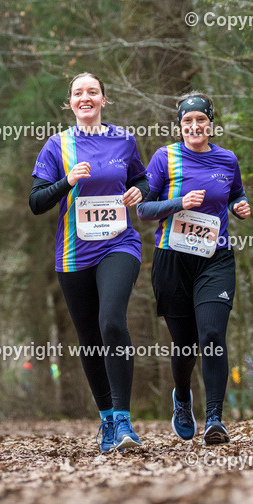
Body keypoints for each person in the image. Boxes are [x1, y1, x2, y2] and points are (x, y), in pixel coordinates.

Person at [29, 73, 149, 453]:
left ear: (103, 99)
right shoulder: (57, 145)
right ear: (70, 102)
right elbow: (37, 202)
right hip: (73, 252)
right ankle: (107, 421)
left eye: (92, 92)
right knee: (90, 339)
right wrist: (67, 181)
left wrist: (138, 192)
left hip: (119, 244)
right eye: (78, 93)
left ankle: (125, 419)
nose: (86, 98)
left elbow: (144, 181)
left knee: (111, 320)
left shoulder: (124, 139)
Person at [137, 92, 250, 445]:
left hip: (215, 259)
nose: (194, 126)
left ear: (211, 124)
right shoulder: (164, 157)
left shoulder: (227, 159)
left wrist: (240, 204)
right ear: (180, 126)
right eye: (188, 121)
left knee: (213, 336)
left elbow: (235, 194)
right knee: (185, 344)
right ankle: (182, 397)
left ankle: (215, 418)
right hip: (172, 260)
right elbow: (144, 209)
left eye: (201, 120)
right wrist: (178, 203)